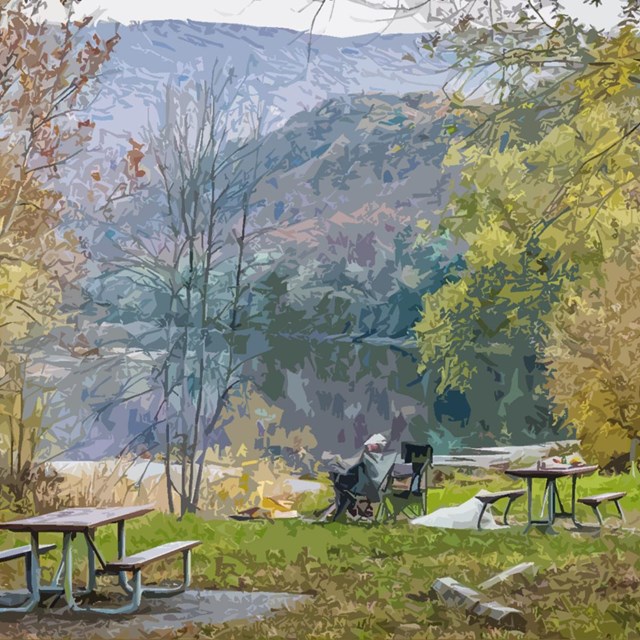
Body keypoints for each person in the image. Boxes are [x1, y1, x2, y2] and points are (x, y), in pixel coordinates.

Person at [322, 434, 396, 521]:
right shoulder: (386, 459)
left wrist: (337, 463)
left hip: (367, 489)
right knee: (342, 487)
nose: (367, 446)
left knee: (340, 486)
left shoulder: (368, 457)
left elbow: (353, 468)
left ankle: (341, 514)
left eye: (370, 444)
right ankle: (347, 512)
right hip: (375, 488)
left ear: (376, 445)